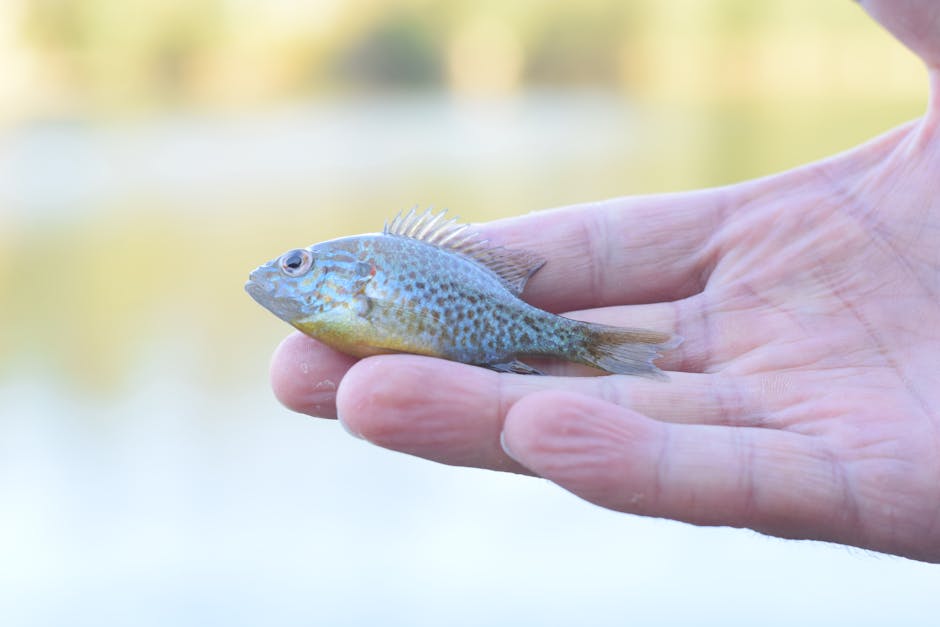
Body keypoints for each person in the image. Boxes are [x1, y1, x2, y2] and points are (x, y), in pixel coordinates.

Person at [268, 0, 940, 563]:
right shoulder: (358, 289)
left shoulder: (369, 277)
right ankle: (600, 349)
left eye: (298, 263)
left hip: (505, 323)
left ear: (350, 275)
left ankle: (595, 346)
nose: (284, 272)